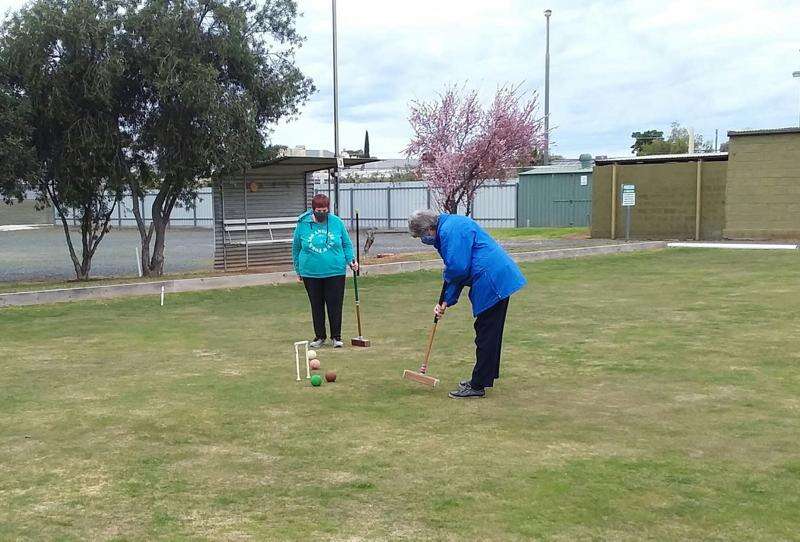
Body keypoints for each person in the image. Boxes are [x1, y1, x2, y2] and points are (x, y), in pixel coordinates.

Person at [408, 209, 526, 398]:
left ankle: (478, 386)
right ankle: (484, 377)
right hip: (496, 276)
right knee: (490, 332)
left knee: (486, 333)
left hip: (492, 279)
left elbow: (457, 268)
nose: (424, 241)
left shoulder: (449, 230)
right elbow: (457, 270)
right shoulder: (448, 226)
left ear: (429, 229)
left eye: (422, 236)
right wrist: (446, 300)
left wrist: (446, 295)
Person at [293, 194, 358, 348]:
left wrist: (351, 260)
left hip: (335, 271)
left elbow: (346, 244)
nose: (322, 213)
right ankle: (319, 336)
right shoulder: (303, 224)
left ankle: (336, 337)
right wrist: (298, 270)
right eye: (319, 210)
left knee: (335, 304)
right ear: (313, 209)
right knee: (316, 305)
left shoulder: (336, 222)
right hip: (310, 272)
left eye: (324, 210)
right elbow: (296, 248)